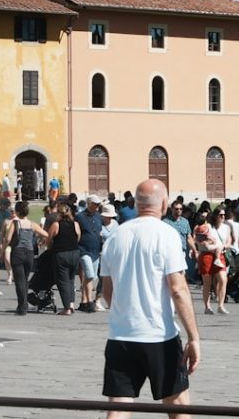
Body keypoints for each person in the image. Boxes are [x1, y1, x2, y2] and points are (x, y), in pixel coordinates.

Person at [99, 179, 200, 419]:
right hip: (159, 335)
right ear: (164, 203)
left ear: (135, 204)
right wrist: (194, 337)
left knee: (120, 406)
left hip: (121, 335)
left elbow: (106, 290)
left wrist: (125, 312)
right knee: (178, 404)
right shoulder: (167, 235)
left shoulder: (115, 236)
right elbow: (178, 290)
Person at [1, 201, 48, 315]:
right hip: (29, 253)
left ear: (17, 212)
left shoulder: (15, 223)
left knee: (19, 281)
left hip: (17, 252)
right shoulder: (32, 224)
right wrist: (40, 241)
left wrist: (3, 250)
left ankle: (22, 306)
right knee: (25, 279)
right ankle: (23, 303)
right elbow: (46, 234)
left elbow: (7, 239)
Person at [47, 201, 81, 315]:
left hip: (61, 254)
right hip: (75, 253)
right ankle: (71, 304)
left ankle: (67, 308)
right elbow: (78, 237)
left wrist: (50, 248)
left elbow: (49, 239)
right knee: (71, 280)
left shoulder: (56, 224)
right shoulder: (75, 224)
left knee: (63, 281)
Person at [195, 211, 228, 315]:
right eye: (220, 215)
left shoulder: (225, 227)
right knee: (207, 283)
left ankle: (221, 305)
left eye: (224, 215)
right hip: (206, 256)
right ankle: (207, 307)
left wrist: (224, 246)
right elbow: (200, 243)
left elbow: (228, 241)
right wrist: (210, 246)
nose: (222, 217)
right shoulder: (204, 227)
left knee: (223, 279)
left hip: (220, 254)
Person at [77, 195, 106, 313]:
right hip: (84, 250)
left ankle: (83, 301)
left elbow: (100, 230)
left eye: (99, 204)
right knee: (89, 275)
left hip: (95, 250)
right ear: (89, 204)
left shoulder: (99, 217)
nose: (98, 206)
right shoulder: (80, 217)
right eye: (95, 204)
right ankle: (89, 301)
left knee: (91, 277)